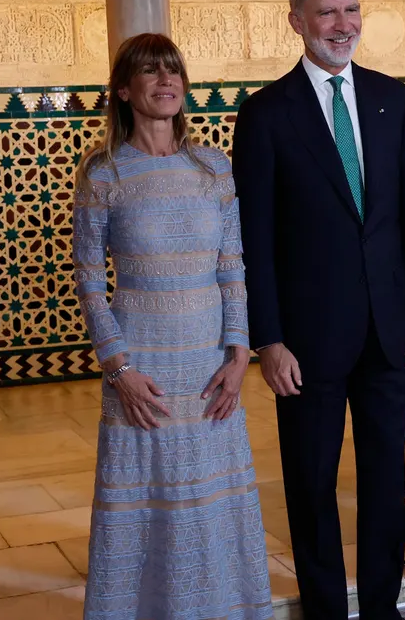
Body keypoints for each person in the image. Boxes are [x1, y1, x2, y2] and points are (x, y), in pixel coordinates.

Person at [230, 0, 405, 620]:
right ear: (296, 20)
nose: (342, 24)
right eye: (327, 12)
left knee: (384, 481)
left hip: (387, 328)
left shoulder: (392, 99)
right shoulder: (265, 115)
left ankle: (382, 607)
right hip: (307, 337)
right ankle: (325, 609)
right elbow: (254, 238)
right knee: (311, 482)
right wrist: (268, 337)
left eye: (351, 9)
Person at [72, 33, 272, 619]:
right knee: (149, 501)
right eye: (150, 72)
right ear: (124, 90)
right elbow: (87, 279)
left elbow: (233, 265)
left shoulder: (212, 167)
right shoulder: (103, 172)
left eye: (173, 71)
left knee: (211, 500)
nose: (166, 81)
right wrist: (120, 370)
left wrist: (239, 355)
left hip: (210, 366)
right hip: (143, 368)